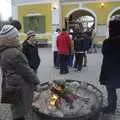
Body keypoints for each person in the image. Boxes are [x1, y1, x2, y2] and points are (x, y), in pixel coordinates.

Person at [0, 25, 41, 120]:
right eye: (16, 36)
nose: (18, 38)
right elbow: (27, 71)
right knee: (20, 110)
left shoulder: (4, 50)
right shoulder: (14, 53)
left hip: (10, 83)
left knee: (15, 107)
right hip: (19, 86)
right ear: (11, 38)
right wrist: (36, 82)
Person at [99, 15, 120, 114]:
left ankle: (111, 108)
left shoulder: (108, 41)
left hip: (111, 71)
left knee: (111, 90)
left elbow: (104, 52)